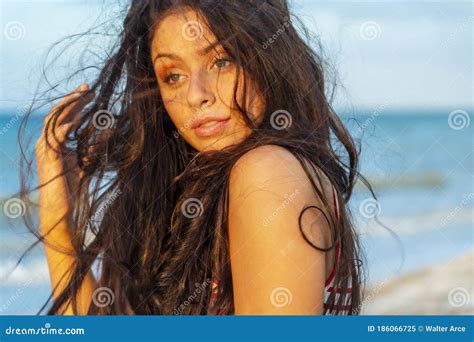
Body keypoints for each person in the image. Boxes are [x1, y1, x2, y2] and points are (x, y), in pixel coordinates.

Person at [26, 0, 370, 315]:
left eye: (221, 61)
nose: (196, 95)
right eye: (173, 76)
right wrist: (58, 221)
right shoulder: (215, 196)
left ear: (267, 58)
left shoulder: (266, 172)